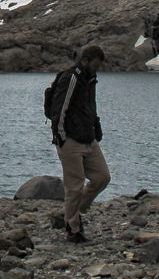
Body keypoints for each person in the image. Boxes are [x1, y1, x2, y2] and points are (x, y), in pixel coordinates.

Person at [50, 44, 110, 243]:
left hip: (87, 138)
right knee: (74, 187)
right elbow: (60, 109)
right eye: (95, 64)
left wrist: (96, 125)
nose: (97, 68)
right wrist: (61, 137)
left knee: (102, 177)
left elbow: (89, 107)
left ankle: (75, 213)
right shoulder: (71, 78)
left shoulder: (90, 79)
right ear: (85, 60)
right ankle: (72, 228)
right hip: (70, 140)